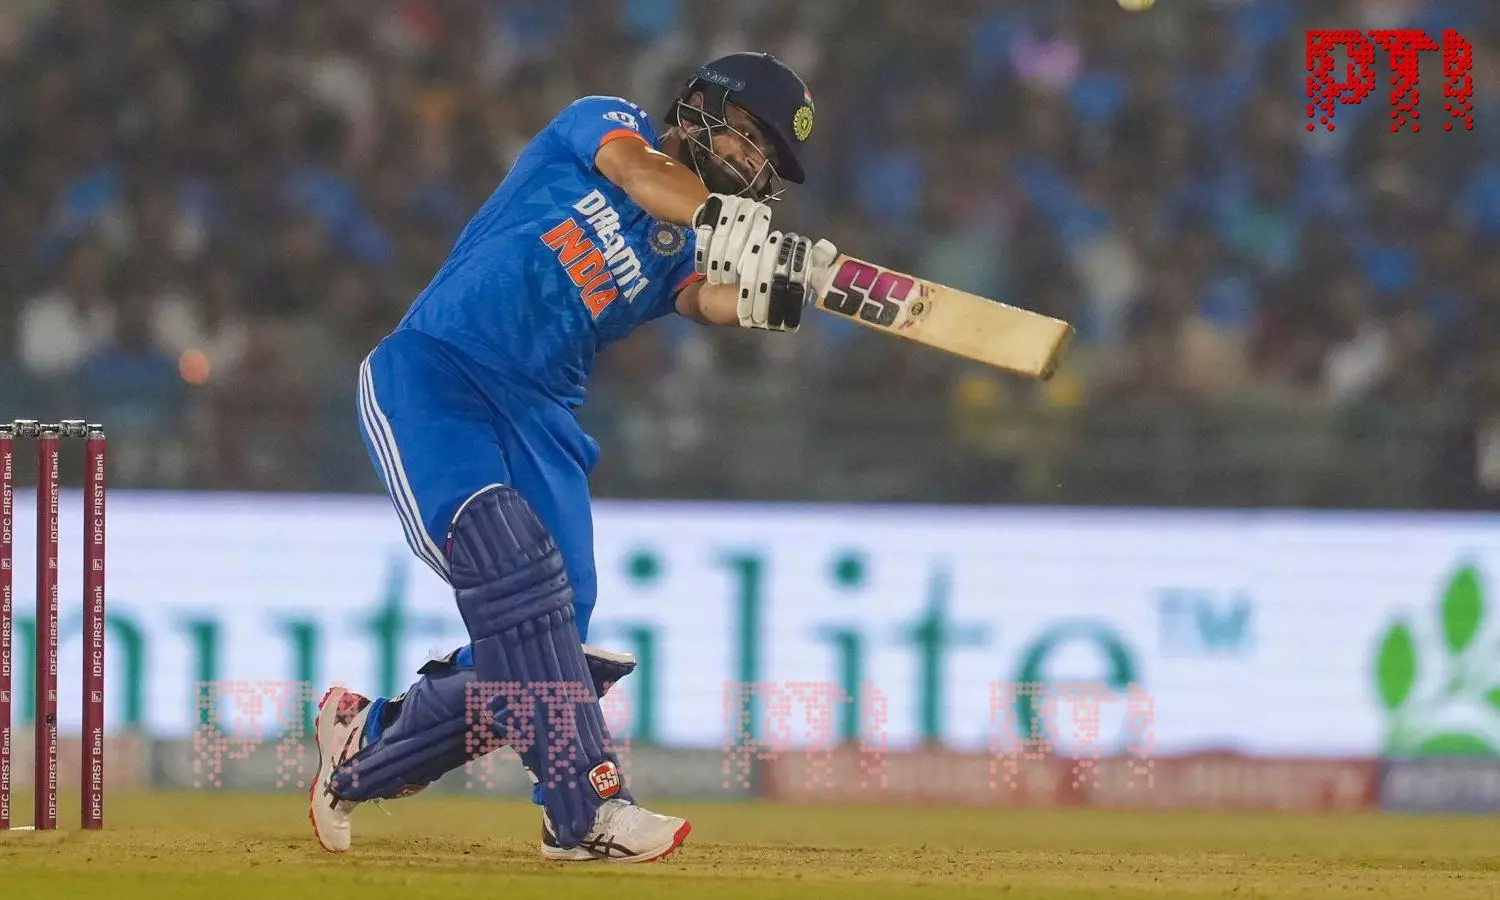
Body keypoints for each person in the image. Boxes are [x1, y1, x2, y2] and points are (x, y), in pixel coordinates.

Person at [308, 52, 835, 862]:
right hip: (439, 371)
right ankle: (587, 809)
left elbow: (701, 298)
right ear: (701, 104)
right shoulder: (606, 122)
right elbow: (642, 175)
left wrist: (781, 292)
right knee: (515, 575)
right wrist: (721, 222)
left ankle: (366, 742)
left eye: (767, 156)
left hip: (541, 416)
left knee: (550, 642)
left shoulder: (683, 244)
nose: (753, 161)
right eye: (749, 134)